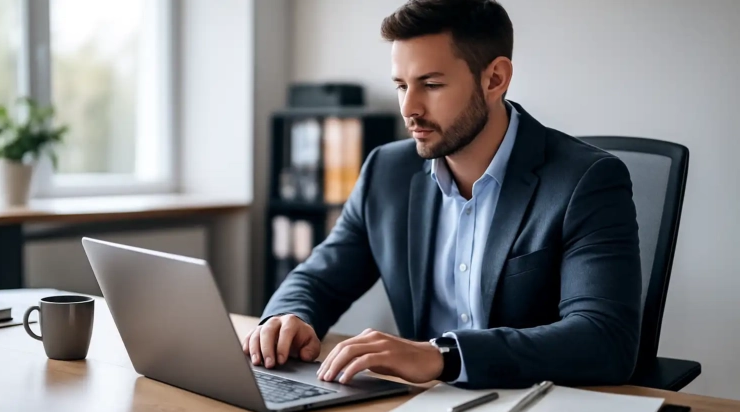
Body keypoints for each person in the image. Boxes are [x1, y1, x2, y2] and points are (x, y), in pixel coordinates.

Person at [242, 0, 642, 390]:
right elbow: (320, 278)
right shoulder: (387, 171)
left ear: (495, 79)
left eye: (431, 85)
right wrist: (287, 317)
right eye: (401, 86)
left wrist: (444, 356)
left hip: (531, 408)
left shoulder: (586, 180)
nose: (409, 108)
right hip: (420, 408)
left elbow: (603, 339)